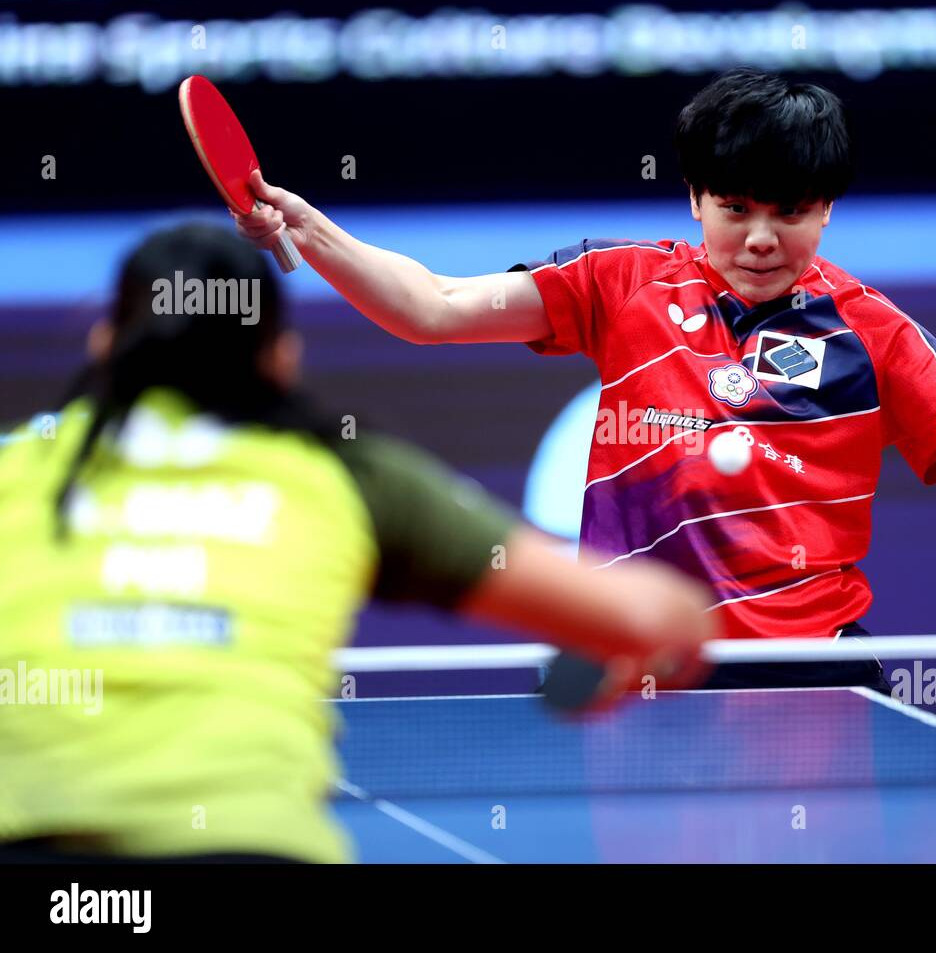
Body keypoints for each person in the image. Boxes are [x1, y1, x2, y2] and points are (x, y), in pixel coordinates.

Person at [231, 66, 936, 693]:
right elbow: (431, 307)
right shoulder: (617, 282)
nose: (762, 237)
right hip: (645, 665)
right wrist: (311, 230)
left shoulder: (875, 331)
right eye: (736, 207)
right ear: (695, 197)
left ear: (828, 209)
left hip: (816, 669)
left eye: (791, 212)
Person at [0, 223, 716, 863]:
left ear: (104, 343)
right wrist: (628, 651)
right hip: (248, 849)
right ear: (281, 357)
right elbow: (663, 620)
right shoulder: (343, 477)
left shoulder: (14, 471)